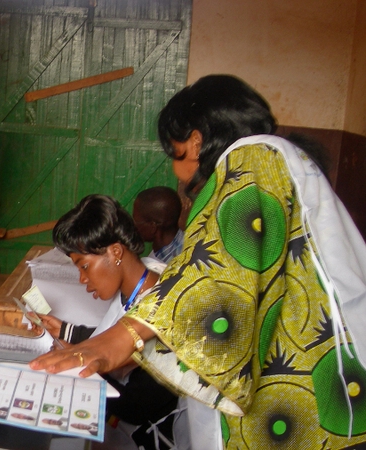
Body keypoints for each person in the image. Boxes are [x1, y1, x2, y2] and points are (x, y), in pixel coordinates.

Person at [30, 75, 366, 449]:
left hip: (312, 398)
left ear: (194, 141)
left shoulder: (253, 158)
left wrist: (122, 337)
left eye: (171, 151)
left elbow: (220, 274)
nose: (176, 171)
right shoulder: (282, 161)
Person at [36, 195, 178, 450]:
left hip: (148, 437)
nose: (82, 279)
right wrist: (68, 331)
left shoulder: (161, 307)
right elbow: (116, 333)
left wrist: (76, 364)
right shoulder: (138, 279)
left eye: (85, 266)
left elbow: (137, 405)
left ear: (115, 252)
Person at [132, 186, 183, 263]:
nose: (133, 225)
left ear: (153, 227)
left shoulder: (166, 266)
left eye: (136, 221)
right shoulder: (189, 240)